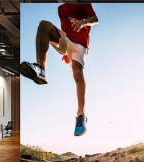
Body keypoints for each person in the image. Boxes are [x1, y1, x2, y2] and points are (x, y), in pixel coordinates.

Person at [20, 3, 98, 136]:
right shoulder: (61, 7)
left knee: (77, 74)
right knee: (44, 25)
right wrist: (65, 49)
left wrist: (83, 22)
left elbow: (95, 19)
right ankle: (41, 70)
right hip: (65, 40)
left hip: (80, 44)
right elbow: (65, 28)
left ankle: (81, 116)